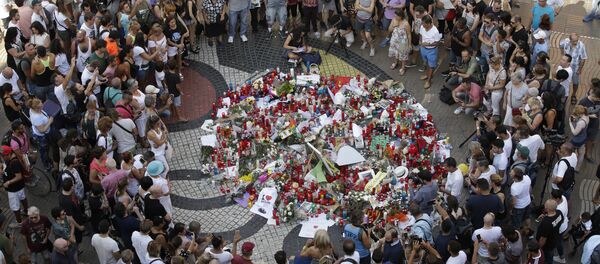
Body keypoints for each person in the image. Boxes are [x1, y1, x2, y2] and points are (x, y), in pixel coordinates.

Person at [1, 145, 28, 226]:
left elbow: (19, 176)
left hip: (14, 189)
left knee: (15, 207)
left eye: (3, 156)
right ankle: (26, 211)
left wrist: (8, 182)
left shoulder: (14, 162)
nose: (2, 157)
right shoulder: (10, 159)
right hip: (19, 187)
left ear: (8, 154)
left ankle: (19, 222)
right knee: (23, 198)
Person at [578, 85, 600, 162]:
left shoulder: (598, 101)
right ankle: (578, 155)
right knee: (580, 140)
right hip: (584, 125)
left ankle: (587, 154)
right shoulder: (583, 102)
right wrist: (590, 116)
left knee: (590, 140)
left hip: (594, 125)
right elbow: (577, 113)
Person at [418, 15, 441, 89]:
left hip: (432, 50)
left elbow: (437, 43)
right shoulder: (422, 27)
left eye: (424, 24)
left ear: (429, 23)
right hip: (423, 48)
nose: (422, 25)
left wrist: (428, 44)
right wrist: (420, 41)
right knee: (425, 62)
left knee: (431, 65)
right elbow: (421, 34)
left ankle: (428, 80)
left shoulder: (435, 31)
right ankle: (427, 75)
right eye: (422, 23)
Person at [387, 10, 411, 75]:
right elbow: (389, 29)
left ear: (401, 16)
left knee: (403, 55)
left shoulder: (406, 23)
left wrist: (409, 44)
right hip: (394, 40)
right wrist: (394, 26)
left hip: (402, 43)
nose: (395, 17)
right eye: (395, 15)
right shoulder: (394, 20)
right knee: (395, 53)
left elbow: (409, 34)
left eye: (396, 16)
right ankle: (395, 62)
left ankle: (403, 68)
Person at [570, 105, 589, 171]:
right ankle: (578, 168)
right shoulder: (586, 116)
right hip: (583, 137)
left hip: (577, 140)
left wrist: (570, 123)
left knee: (574, 153)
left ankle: (572, 165)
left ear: (578, 113)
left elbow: (574, 133)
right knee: (581, 153)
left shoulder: (581, 122)